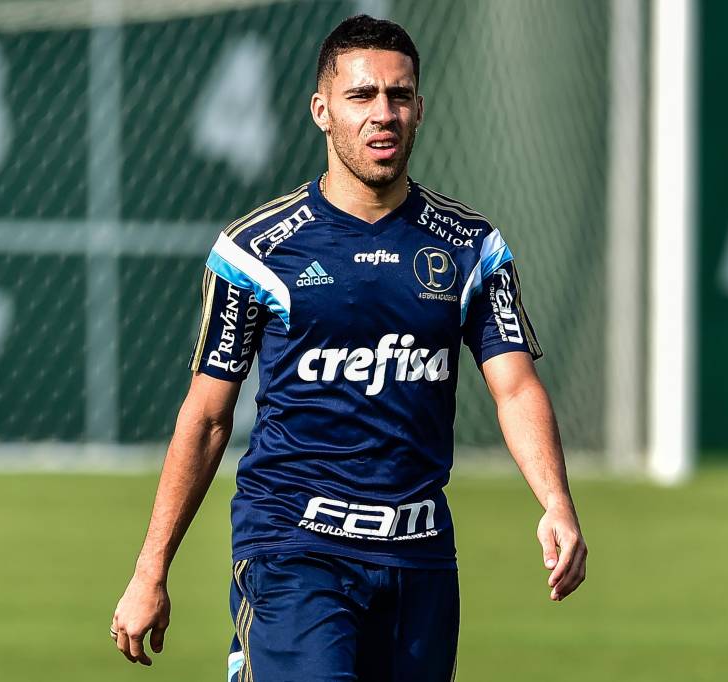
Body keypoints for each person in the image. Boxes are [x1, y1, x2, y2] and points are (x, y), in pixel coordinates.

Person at [111, 14, 587, 681]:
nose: (382, 113)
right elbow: (209, 417)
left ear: (420, 109)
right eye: (361, 95)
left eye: (399, 95)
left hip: (420, 556)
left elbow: (515, 388)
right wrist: (150, 569)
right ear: (322, 111)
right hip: (293, 549)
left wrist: (556, 502)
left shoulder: (470, 246)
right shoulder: (256, 251)